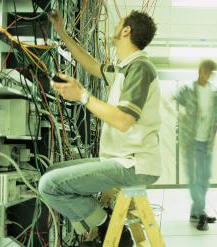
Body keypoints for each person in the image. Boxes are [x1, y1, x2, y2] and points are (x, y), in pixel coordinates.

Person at [38, 10, 160, 247]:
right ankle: (102, 225)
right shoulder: (124, 69)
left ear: (126, 30)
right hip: (121, 159)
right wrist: (62, 31)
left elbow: (124, 120)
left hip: (134, 164)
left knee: (50, 185)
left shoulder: (140, 69)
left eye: (121, 23)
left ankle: (109, 231)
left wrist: (82, 96)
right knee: (52, 171)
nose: (116, 25)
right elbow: (92, 65)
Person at [173, 60, 217, 231]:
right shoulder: (188, 90)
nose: (207, 74)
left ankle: (195, 211)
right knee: (195, 177)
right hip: (191, 141)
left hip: (207, 143)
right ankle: (201, 212)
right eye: (205, 71)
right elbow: (174, 98)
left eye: (210, 72)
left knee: (206, 177)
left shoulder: (216, 93)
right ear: (199, 70)